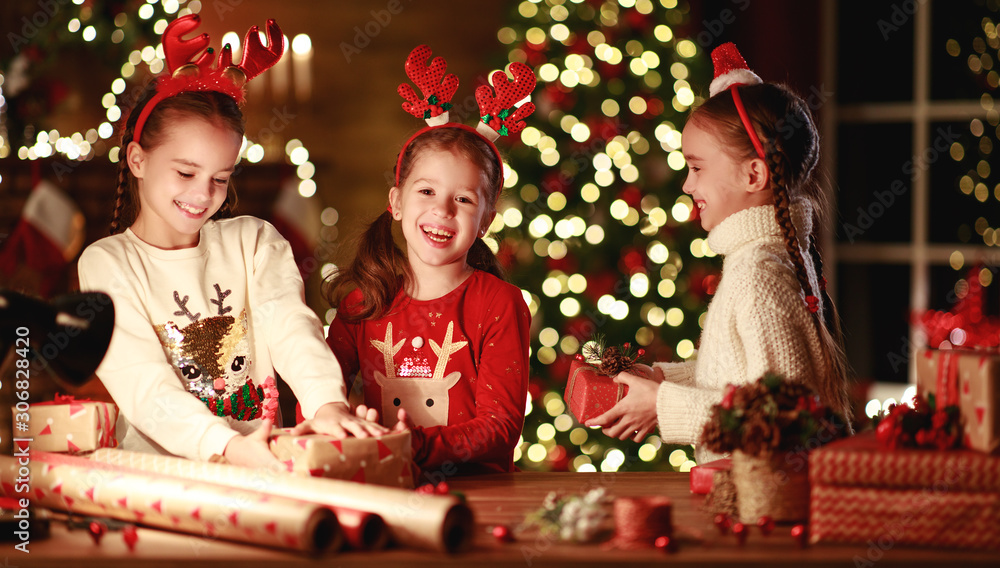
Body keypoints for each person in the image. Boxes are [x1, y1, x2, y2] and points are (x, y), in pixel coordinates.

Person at [78, 16, 385, 469]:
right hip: (159, 479)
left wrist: (326, 404)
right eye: (185, 172)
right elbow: (141, 383)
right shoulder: (107, 263)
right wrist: (226, 445)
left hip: (264, 464)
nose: (203, 194)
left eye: (220, 178)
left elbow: (291, 329)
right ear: (138, 159)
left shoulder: (255, 242)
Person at [588, 43, 851, 460]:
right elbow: (740, 378)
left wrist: (663, 405)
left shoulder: (757, 277)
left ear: (753, 174)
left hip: (760, 509)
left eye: (696, 168)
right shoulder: (768, 259)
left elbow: (782, 416)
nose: (688, 186)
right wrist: (662, 378)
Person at [325, 46, 533, 476]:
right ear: (396, 202)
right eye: (426, 192)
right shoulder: (362, 303)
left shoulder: (499, 304)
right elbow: (321, 389)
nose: (443, 210)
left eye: (463, 199)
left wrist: (411, 444)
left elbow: (500, 427)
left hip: (477, 494)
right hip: (382, 483)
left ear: (486, 221)